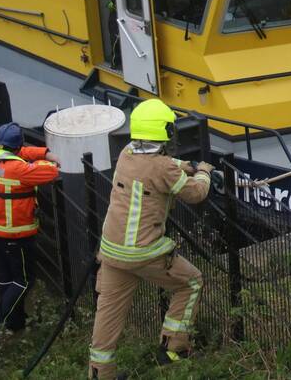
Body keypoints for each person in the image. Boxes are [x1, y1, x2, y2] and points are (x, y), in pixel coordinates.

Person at [88, 99, 213, 380]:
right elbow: (195, 193)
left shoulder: (126, 153)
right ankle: (174, 349)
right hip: (144, 253)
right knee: (191, 282)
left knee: (108, 314)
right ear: (164, 131)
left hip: (112, 251)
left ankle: (99, 374)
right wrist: (203, 172)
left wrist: (185, 165)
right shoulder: (163, 169)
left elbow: (162, 165)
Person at [0, 122, 60, 344]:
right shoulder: (20, 170)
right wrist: (50, 159)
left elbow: (22, 153)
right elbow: (51, 171)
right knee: (24, 280)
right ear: (16, 146)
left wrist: (44, 151)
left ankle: (15, 323)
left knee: (6, 280)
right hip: (16, 236)